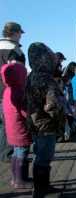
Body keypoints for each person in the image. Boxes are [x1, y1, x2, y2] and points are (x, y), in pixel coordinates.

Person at [25, 42, 65, 197]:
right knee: (44, 159)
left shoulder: (32, 75)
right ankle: (41, 190)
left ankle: (42, 187)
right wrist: (60, 120)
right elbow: (53, 104)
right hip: (47, 126)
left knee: (39, 157)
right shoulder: (45, 78)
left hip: (35, 124)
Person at [1, 62, 32, 189]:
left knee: (15, 153)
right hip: (20, 129)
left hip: (11, 128)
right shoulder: (19, 92)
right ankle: (20, 180)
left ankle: (15, 178)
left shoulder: (7, 91)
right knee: (22, 153)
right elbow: (24, 111)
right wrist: (31, 115)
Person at [0, 22, 25, 162]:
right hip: (7, 92)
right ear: (15, 33)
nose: (21, 35)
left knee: (2, 124)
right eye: (20, 33)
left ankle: (5, 152)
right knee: (8, 123)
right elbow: (17, 73)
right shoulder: (13, 50)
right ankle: (8, 154)